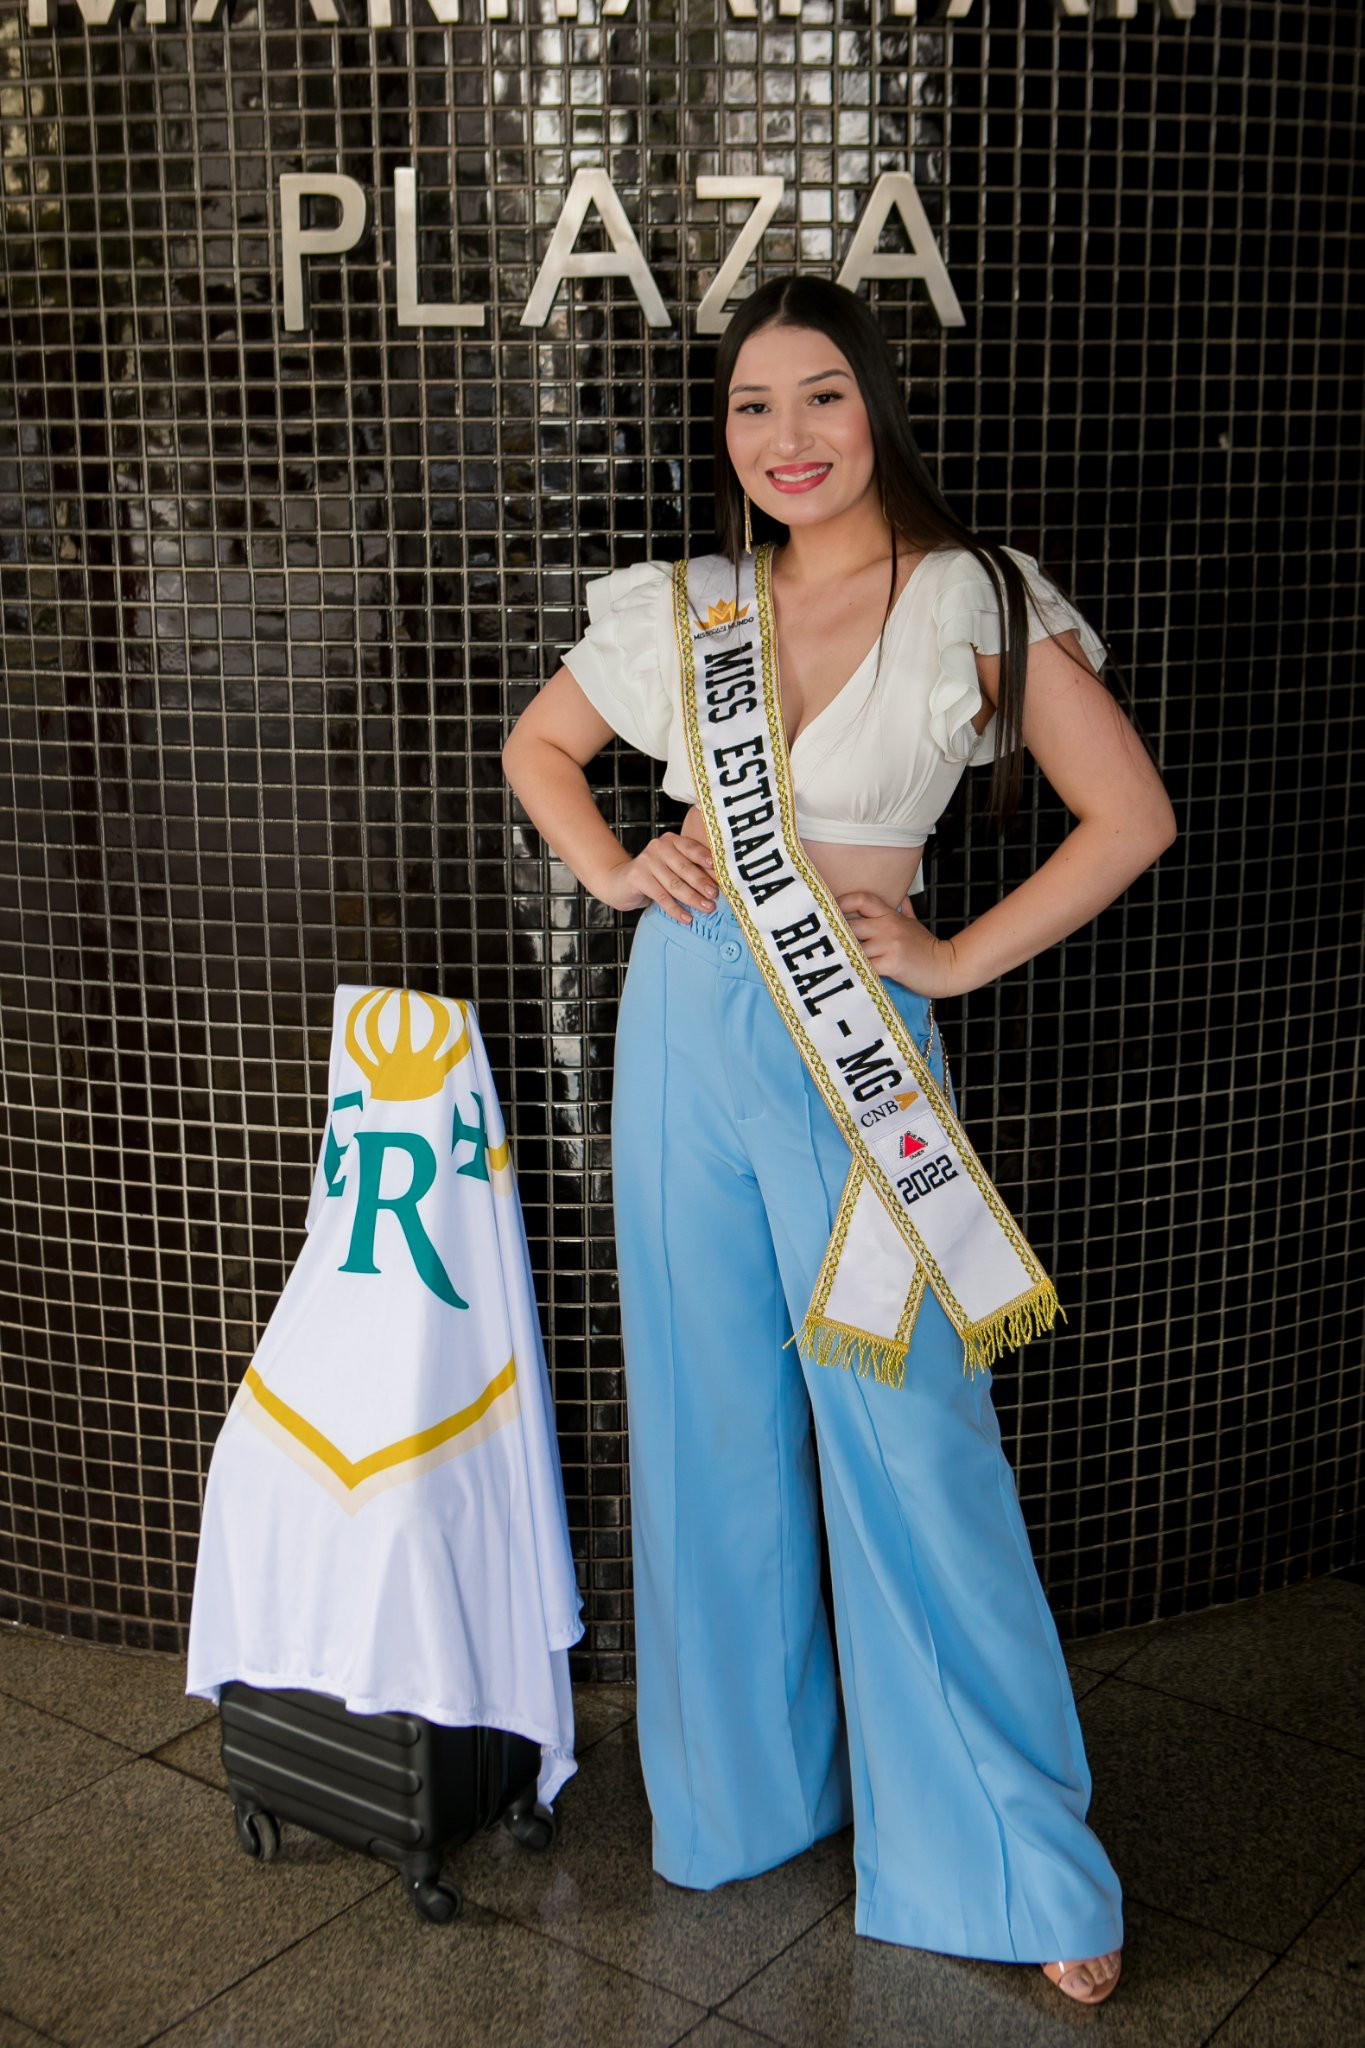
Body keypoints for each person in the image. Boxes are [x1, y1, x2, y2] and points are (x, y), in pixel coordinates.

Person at [502, 275, 1176, 2008]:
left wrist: (949, 951)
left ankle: (1016, 1856)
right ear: (722, 435)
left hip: (854, 1043)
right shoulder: (695, 606)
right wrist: (605, 865)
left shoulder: (971, 592)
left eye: (819, 398)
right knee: (707, 1420)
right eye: (750, 408)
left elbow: (1131, 815)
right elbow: (543, 750)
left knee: (906, 1432)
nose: (785, 439)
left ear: (873, 409)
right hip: (680, 1029)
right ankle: (739, 1805)